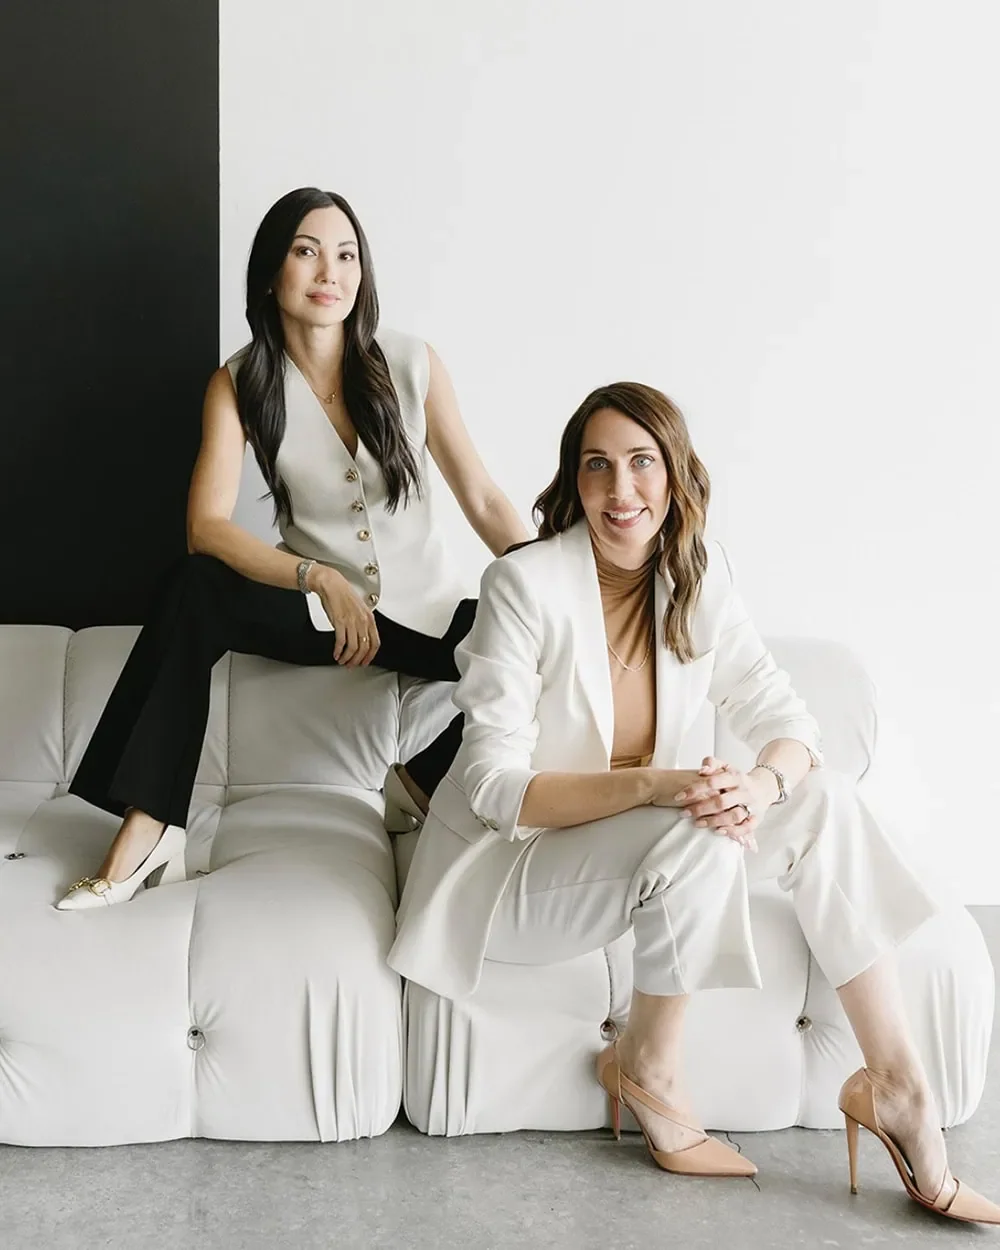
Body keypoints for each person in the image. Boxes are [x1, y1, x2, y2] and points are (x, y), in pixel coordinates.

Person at [388, 382, 1000, 1223]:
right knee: (694, 825)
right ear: (574, 481)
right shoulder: (522, 587)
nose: (619, 490)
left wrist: (758, 784)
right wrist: (664, 784)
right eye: (596, 466)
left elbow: (789, 724)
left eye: (642, 463)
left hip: (631, 846)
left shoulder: (698, 576)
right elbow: (498, 791)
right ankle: (652, 1072)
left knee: (819, 800)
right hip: (509, 873)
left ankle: (899, 1089)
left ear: (674, 478)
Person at [56, 186, 527, 911]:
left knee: (549, 648)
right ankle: (152, 823)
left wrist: (563, 587)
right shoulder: (239, 382)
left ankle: (419, 784)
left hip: (425, 611)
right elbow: (205, 528)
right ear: (272, 273)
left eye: (346, 255)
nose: (329, 272)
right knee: (193, 586)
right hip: (317, 614)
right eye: (306, 252)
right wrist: (318, 579)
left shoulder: (413, 363)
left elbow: (485, 500)